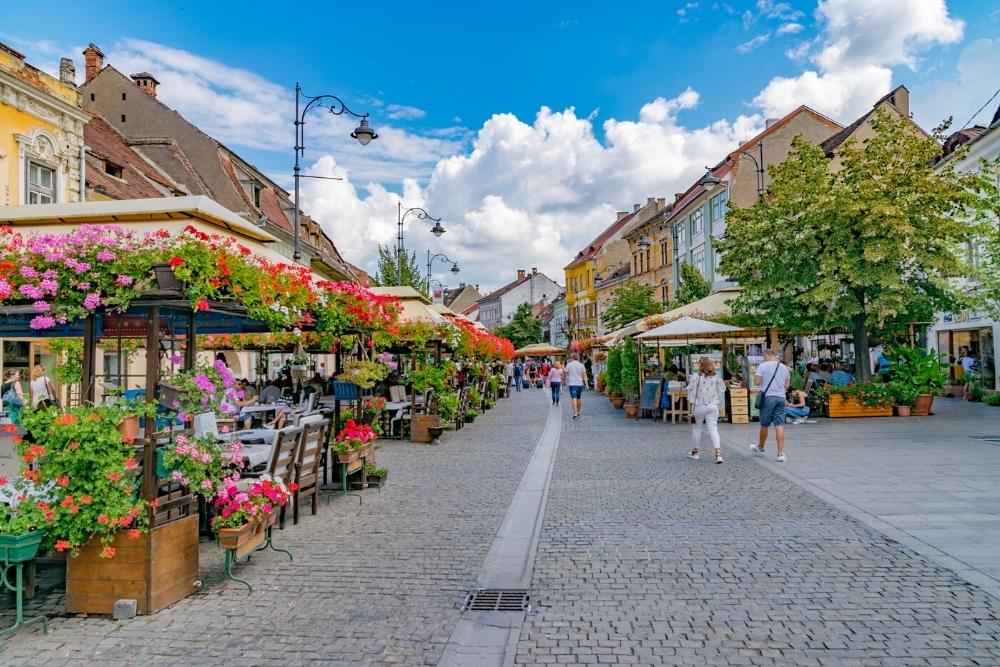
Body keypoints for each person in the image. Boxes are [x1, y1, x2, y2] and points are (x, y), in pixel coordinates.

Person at [750, 349, 791, 462]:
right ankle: (781, 453)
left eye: (763, 356)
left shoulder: (763, 366)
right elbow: (786, 386)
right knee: (779, 424)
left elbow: (757, 382)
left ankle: (761, 447)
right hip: (781, 398)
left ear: (766, 355)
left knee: (764, 424)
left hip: (768, 397)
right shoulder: (784, 367)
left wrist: (759, 377)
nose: (763, 358)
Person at [686, 357, 727, 464]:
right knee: (713, 429)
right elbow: (721, 391)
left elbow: (691, 395)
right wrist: (720, 405)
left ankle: (695, 453)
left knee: (697, 428)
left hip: (699, 406)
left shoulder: (695, 378)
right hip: (713, 406)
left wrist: (690, 411)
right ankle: (718, 454)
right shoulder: (716, 378)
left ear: (700, 365)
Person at [565, 353, 588, 419]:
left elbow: (566, 373)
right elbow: (584, 375)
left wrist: (566, 381)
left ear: (572, 358)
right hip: (579, 384)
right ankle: (578, 412)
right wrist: (586, 384)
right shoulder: (581, 365)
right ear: (578, 358)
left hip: (572, 384)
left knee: (573, 398)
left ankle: (575, 413)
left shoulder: (569, 365)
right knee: (578, 398)